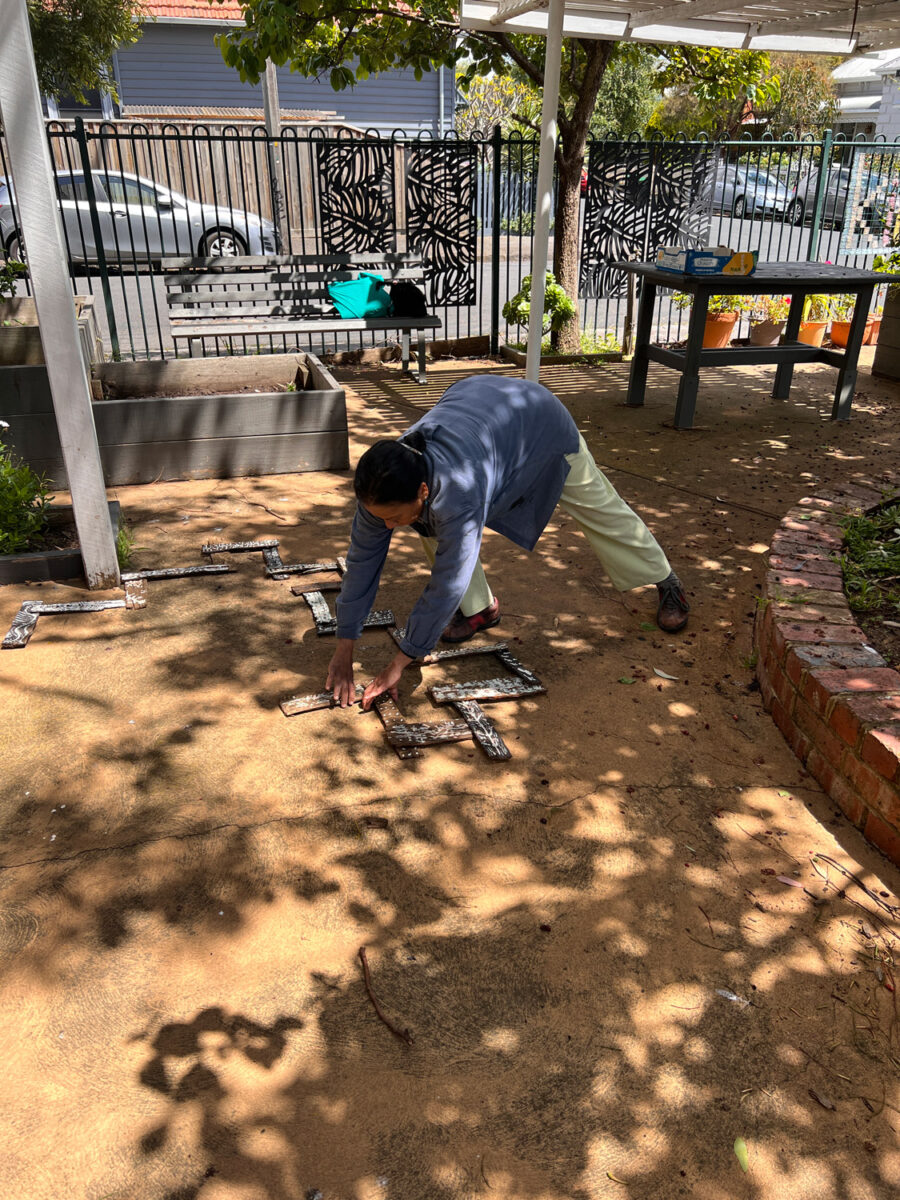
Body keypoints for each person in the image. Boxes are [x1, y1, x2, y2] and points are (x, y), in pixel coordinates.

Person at [327, 375, 689, 710]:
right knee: (430, 526)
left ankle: (664, 579)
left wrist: (400, 662)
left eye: (394, 517)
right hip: (482, 416)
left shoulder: (458, 492)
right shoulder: (381, 487)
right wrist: (345, 647)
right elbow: (362, 564)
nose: (387, 525)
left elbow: (448, 580)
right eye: (381, 517)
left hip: (540, 425)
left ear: (423, 489)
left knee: (599, 507)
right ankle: (480, 609)